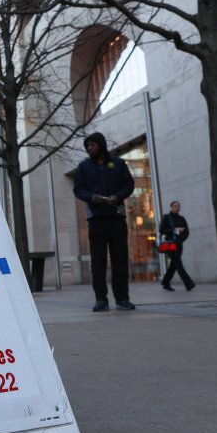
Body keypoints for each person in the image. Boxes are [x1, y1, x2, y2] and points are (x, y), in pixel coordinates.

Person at [73, 132, 136, 312]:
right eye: (88, 146)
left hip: (116, 217)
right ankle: (101, 299)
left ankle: (123, 298)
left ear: (100, 145)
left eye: (92, 145)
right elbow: (78, 189)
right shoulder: (84, 167)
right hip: (96, 219)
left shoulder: (117, 163)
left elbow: (129, 184)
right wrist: (92, 198)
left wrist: (118, 196)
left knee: (120, 259)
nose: (89, 148)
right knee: (98, 261)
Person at [159, 200, 196, 291]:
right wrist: (175, 229)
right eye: (175, 206)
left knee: (174, 264)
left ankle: (165, 282)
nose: (177, 208)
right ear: (171, 207)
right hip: (170, 244)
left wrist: (181, 240)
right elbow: (162, 230)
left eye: (178, 206)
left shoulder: (182, 219)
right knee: (178, 264)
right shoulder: (166, 217)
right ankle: (188, 283)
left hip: (179, 244)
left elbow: (186, 232)